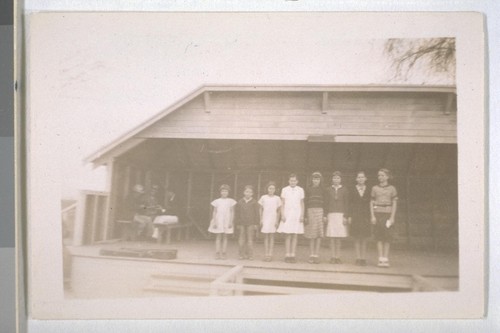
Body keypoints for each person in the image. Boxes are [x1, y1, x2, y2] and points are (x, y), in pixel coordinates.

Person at [370, 168, 398, 268]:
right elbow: (371, 202)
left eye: (382, 175)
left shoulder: (392, 188)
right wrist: (372, 215)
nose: (380, 177)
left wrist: (392, 217)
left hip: (387, 214)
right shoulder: (374, 188)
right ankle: (380, 258)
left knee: (387, 237)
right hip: (378, 214)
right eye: (379, 175)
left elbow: (394, 203)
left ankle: (386, 258)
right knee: (379, 236)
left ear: (387, 176)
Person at [277, 173, 305, 263]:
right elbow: (282, 203)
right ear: (289, 181)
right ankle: (287, 255)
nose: (292, 182)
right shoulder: (284, 189)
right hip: (287, 214)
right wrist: (282, 214)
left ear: (297, 181)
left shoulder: (300, 190)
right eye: (291, 180)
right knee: (288, 235)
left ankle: (293, 255)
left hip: (297, 214)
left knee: (295, 235)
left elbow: (302, 203)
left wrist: (302, 215)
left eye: (294, 180)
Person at [325, 171, 350, 264]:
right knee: (332, 237)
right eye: (334, 178)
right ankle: (332, 256)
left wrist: (345, 216)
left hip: (341, 214)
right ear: (332, 179)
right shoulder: (328, 189)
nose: (336, 180)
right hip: (331, 214)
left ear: (341, 179)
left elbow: (347, 203)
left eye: (338, 178)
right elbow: (326, 203)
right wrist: (325, 215)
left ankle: (338, 256)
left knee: (338, 237)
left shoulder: (345, 190)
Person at [208, 184, 237, 260]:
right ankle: (217, 252)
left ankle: (224, 252)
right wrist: (214, 221)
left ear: (228, 192)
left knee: (225, 236)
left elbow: (232, 212)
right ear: (220, 192)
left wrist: (231, 221)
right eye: (223, 191)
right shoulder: (216, 201)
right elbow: (214, 212)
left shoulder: (231, 201)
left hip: (227, 220)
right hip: (219, 220)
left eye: (226, 191)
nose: (224, 192)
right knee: (218, 237)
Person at [349, 171, 371, 266]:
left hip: (366, 216)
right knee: (357, 237)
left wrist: (371, 215)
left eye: (362, 177)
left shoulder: (369, 189)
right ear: (356, 179)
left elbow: (371, 203)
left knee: (364, 238)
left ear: (365, 178)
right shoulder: (352, 189)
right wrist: (349, 215)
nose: (360, 179)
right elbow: (350, 203)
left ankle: (363, 258)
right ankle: (358, 257)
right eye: (359, 177)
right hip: (356, 215)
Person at [304, 172, 327, 264]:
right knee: (311, 234)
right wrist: (306, 215)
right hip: (310, 211)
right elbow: (305, 203)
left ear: (320, 180)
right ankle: (311, 255)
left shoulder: (323, 189)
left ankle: (316, 255)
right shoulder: (308, 189)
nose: (316, 181)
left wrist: (324, 215)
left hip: (320, 211)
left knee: (318, 235)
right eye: (314, 179)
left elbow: (326, 203)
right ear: (311, 180)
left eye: (317, 179)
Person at [235, 185, 260, 260]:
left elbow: (257, 214)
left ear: (252, 193)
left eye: (250, 192)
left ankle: (250, 255)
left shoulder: (254, 202)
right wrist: (238, 223)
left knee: (250, 239)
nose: (248, 193)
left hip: (251, 223)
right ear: (244, 192)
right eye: (246, 191)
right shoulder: (240, 202)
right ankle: (241, 254)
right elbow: (237, 213)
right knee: (241, 239)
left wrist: (256, 223)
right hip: (242, 223)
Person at [258, 182, 282, 262]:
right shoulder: (263, 197)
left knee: (272, 236)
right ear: (267, 189)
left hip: (273, 218)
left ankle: (270, 254)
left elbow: (279, 211)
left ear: (275, 190)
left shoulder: (277, 198)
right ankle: (266, 254)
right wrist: (261, 219)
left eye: (273, 189)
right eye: (270, 188)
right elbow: (260, 209)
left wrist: (277, 220)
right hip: (265, 218)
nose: (271, 190)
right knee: (266, 236)